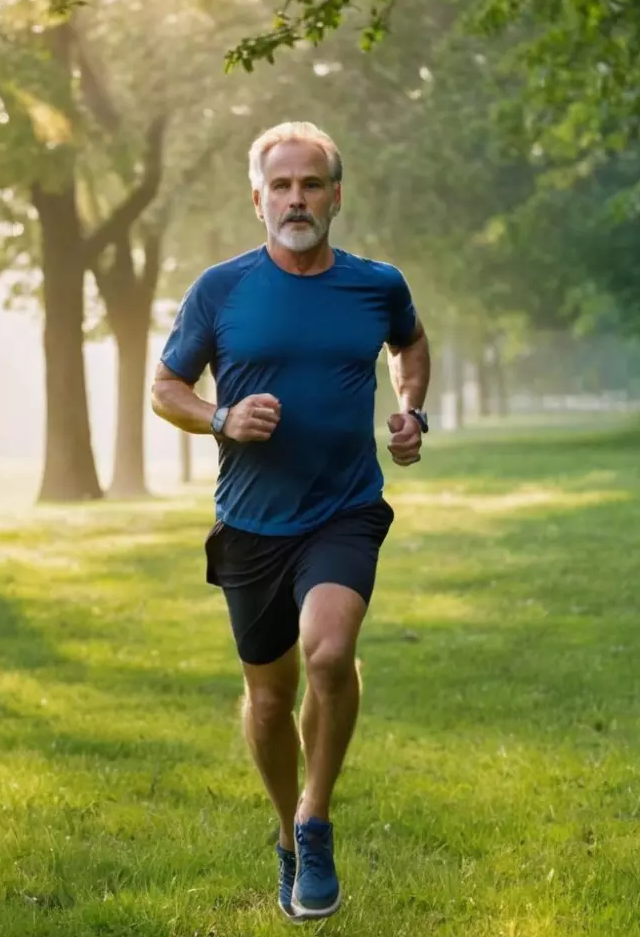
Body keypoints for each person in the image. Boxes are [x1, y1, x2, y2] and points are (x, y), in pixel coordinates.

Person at [150, 120, 431, 920]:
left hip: (343, 508)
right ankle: (284, 832)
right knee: (269, 702)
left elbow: (410, 348)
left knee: (331, 652)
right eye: (282, 186)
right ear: (258, 199)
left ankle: (315, 817)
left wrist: (411, 412)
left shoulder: (376, 284)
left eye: (312, 184)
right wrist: (220, 418)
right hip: (250, 523)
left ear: (336, 195)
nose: (296, 199)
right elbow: (165, 388)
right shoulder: (221, 289)